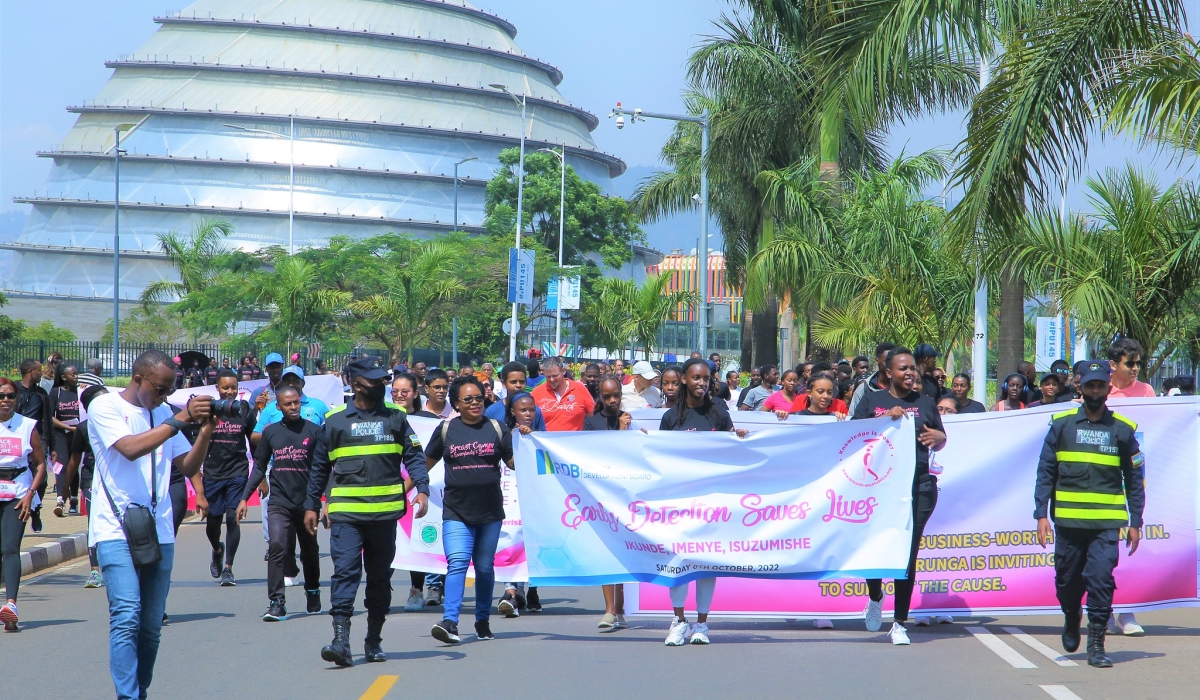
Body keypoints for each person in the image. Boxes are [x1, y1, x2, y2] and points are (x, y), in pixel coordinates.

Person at [88, 351, 215, 698]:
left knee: (150, 627)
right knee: (127, 615)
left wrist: (204, 431)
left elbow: (187, 467)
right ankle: (128, 696)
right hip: (114, 527)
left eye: (170, 391)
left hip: (158, 529)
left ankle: (139, 689)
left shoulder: (161, 414)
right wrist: (179, 419)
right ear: (140, 379)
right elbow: (129, 448)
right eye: (160, 389)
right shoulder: (106, 407)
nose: (163, 397)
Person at [305, 356, 430, 666]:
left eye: (382, 380)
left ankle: (373, 639)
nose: (381, 386)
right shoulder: (334, 421)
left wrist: (422, 489)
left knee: (378, 579)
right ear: (357, 384)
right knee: (345, 573)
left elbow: (414, 457)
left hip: (385, 515)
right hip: (346, 514)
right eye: (375, 381)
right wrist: (311, 504)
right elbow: (319, 467)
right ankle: (341, 640)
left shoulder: (396, 418)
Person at [1034, 360, 1145, 667]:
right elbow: (1045, 472)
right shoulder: (1061, 425)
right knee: (1067, 582)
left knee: (1100, 581)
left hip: (1106, 524)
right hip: (1068, 522)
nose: (1095, 390)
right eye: (1090, 385)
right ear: (1080, 388)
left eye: (1100, 385)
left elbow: (1135, 479)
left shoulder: (1123, 430)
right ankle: (1071, 616)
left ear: (1108, 389)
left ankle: (1096, 643)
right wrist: (1041, 513)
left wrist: (1136, 520)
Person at [853, 348, 947, 645]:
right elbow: (854, 435)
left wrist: (940, 439)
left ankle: (899, 623)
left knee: (908, 554)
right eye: (903, 368)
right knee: (877, 547)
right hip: (879, 488)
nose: (910, 373)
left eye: (912, 369)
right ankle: (876, 595)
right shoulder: (873, 401)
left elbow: (940, 438)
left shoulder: (926, 403)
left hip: (918, 486)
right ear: (889, 372)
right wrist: (885, 421)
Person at [659, 358, 748, 646]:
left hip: (712, 502)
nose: (702, 383)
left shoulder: (719, 414)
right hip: (679, 502)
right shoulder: (671, 418)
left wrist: (740, 439)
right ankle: (678, 621)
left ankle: (702, 624)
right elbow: (659, 460)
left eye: (706, 378)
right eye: (696, 378)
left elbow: (733, 454)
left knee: (706, 563)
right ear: (683, 379)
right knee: (679, 562)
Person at [427, 376, 513, 645]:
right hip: (456, 512)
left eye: (479, 398)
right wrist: (404, 490)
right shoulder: (445, 430)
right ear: (456, 404)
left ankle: (482, 620)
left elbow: (515, 463)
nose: (476, 402)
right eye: (468, 399)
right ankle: (450, 620)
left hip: (489, 512)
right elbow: (424, 464)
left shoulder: (497, 429)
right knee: (458, 563)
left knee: (485, 568)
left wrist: (528, 440)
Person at [239, 385, 323, 622]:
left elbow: (323, 469)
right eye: (288, 404)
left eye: (296, 402)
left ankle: (313, 589)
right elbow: (259, 467)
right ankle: (277, 602)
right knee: (277, 546)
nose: (294, 407)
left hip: (307, 503)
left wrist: (323, 502)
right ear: (279, 406)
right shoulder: (271, 432)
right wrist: (245, 497)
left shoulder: (314, 431)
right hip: (279, 502)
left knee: (309, 550)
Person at [252, 366, 328, 572]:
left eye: (297, 380)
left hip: (308, 477)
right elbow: (255, 437)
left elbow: (331, 436)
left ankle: (311, 584)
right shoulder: (272, 408)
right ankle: (287, 567)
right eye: (288, 381)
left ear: (303, 383)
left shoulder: (318, 407)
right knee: (282, 536)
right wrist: (271, 433)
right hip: (279, 475)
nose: (293, 384)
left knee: (307, 537)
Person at [0, 377, 49, 631]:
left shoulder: (27, 425)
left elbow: (40, 464)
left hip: (18, 493)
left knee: (10, 548)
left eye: (10, 396)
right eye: (1, 396)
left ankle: (11, 605)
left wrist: (31, 493)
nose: (6, 400)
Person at [201, 370, 257, 587]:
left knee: (233, 518)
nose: (230, 391)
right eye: (225, 388)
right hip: (213, 474)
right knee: (213, 521)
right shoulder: (209, 411)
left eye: (233, 387)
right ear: (217, 388)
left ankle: (228, 568)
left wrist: (259, 477)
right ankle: (217, 549)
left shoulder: (245, 411)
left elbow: (254, 443)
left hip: (238, 473)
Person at [496, 390, 542, 617]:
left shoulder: (540, 436)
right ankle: (510, 593)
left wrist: (531, 438)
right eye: (523, 410)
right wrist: (517, 439)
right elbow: (509, 463)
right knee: (508, 539)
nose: (528, 414)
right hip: (508, 499)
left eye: (531, 410)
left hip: (531, 498)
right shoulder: (504, 434)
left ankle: (524, 591)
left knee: (526, 544)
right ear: (512, 413)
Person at [64, 385, 109, 589]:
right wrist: (65, 488)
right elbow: (74, 460)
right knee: (95, 523)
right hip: (91, 481)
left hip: (114, 481)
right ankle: (95, 571)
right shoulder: (84, 428)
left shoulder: (119, 424)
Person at [16, 359, 50, 532]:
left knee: (42, 479)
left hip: (37, 439)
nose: (41, 372)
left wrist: (52, 446)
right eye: (38, 370)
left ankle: (36, 509)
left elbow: (47, 421)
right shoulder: (13, 391)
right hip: (16, 438)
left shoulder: (42, 394)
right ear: (30, 371)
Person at [530, 357, 595, 432]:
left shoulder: (580, 389)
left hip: (574, 442)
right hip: (547, 442)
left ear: (563, 371)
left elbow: (592, 417)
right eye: (548, 377)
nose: (551, 380)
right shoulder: (537, 392)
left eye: (555, 376)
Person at [50, 363, 81, 516]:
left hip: (77, 434)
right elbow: (50, 417)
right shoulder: (56, 392)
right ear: (63, 377)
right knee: (62, 466)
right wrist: (67, 427)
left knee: (74, 467)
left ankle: (74, 500)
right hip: (61, 434)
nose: (76, 377)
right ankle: (60, 500)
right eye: (72, 374)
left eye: (76, 374)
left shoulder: (80, 392)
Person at [485, 362, 546, 431]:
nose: (518, 385)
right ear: (504, 383)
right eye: (513, 382)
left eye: (522, 382)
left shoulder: (535, 411)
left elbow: (542, 437)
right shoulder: (492, 412)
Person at [848, 342, 896, 416]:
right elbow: (853, 420)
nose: (890, 364)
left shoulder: (902, 388)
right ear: (877, 361)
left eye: (893, 361)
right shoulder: (863, 390)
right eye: (887, 361)